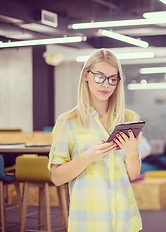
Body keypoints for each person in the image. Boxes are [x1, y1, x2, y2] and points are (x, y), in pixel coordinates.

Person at [47, 48, 143, 232]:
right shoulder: (68, 122)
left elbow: (132, 175)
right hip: (89, 221)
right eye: (99, 76)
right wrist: (87, 157)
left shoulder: (128, 118)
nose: (106, 84)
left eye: (112, 79)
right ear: (86, 75)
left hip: (125, 220)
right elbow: (57, 178)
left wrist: (131, 154)